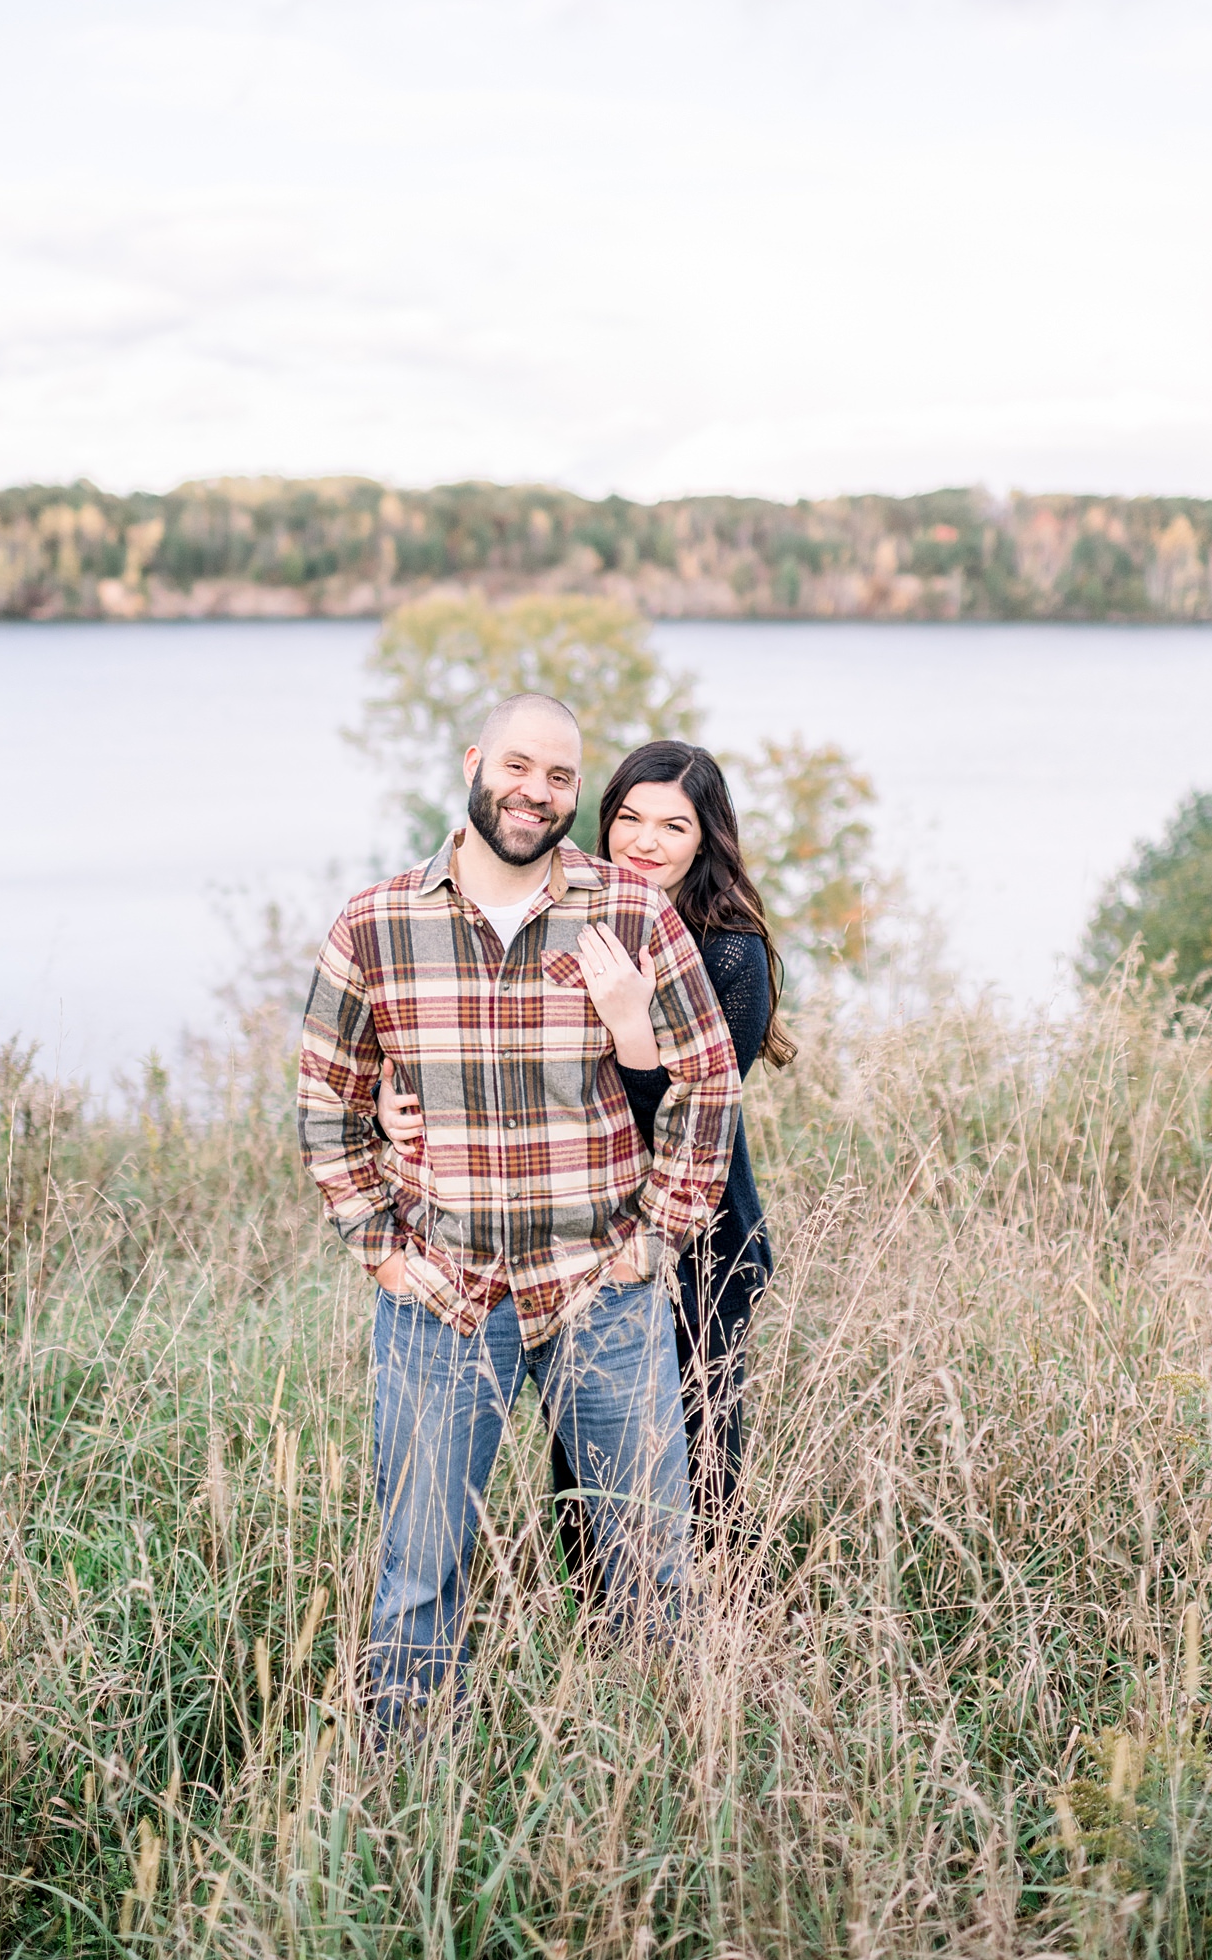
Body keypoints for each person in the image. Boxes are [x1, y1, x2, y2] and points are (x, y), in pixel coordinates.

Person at [297, 694, 741, 1732]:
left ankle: (661, 1784)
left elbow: (707, 1079)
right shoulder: (378, 922)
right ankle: (403, 1809)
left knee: (650, 1571)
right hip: (441, 1298)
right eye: (519, 766)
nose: (536, 792)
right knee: (417, 1577)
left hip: (601, 1292)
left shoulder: (627, 912)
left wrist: (655, 1240)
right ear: (474, 762)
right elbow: (328, 1093)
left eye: (559, 777)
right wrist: (379, 1249)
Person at [381, 738, 791, 1583]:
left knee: (693, 1474)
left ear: (707, 839)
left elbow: (691, 1115)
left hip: (693, 1244)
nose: (646, 840)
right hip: (579, 1241)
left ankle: (709, 1663)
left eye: (674, 825)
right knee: (587, 1477)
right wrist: (396, 1099)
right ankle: (607, 1658)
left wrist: (631, 1026)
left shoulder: (727, 952)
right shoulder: (575, 919)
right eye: (630, 818)